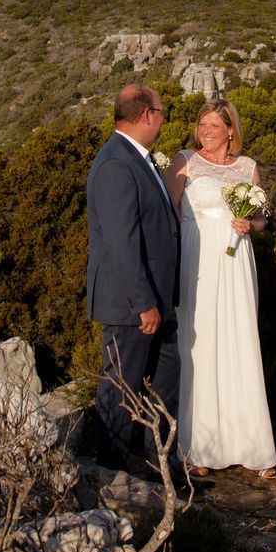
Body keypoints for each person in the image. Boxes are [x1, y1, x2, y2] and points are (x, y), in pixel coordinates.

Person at [167, 97, 276, 479]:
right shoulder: (184, 161)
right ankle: (198, 447)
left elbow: (262, 219)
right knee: (199, 345)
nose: (206, 132)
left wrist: (252, 225)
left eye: (214, 126)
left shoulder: (247, 168)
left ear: (231, 130)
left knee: (239, 341)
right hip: (197, 259)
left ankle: (252, 446)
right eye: (202, 125)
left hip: (236, 261)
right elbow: (168, 212)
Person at [84, 83, 183, 478]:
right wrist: (142, 302)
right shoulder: (116, 164)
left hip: (159, 299)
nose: (162, 118)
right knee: (121, 389)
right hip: (134, 305)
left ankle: (158, 467)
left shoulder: (137, 159)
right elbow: (121, 241)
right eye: (161, 112)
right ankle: (109, 474)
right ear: (146, 116)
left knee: (162, 385)